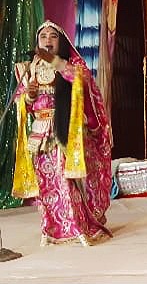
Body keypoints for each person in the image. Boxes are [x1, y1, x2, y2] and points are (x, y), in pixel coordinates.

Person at [12, 21, 113, 246]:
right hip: (40, 133)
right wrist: (29, 95)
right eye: (43, 36)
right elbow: (23, 103)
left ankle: (76, 226)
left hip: (65, 130)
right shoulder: (28, 68)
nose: (47, 40)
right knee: (45, 183)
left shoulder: (71, 65)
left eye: (53, 36)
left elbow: (81, 80)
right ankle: (51, 228)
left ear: (62, 42)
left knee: (65, 181)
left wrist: (53, 61)